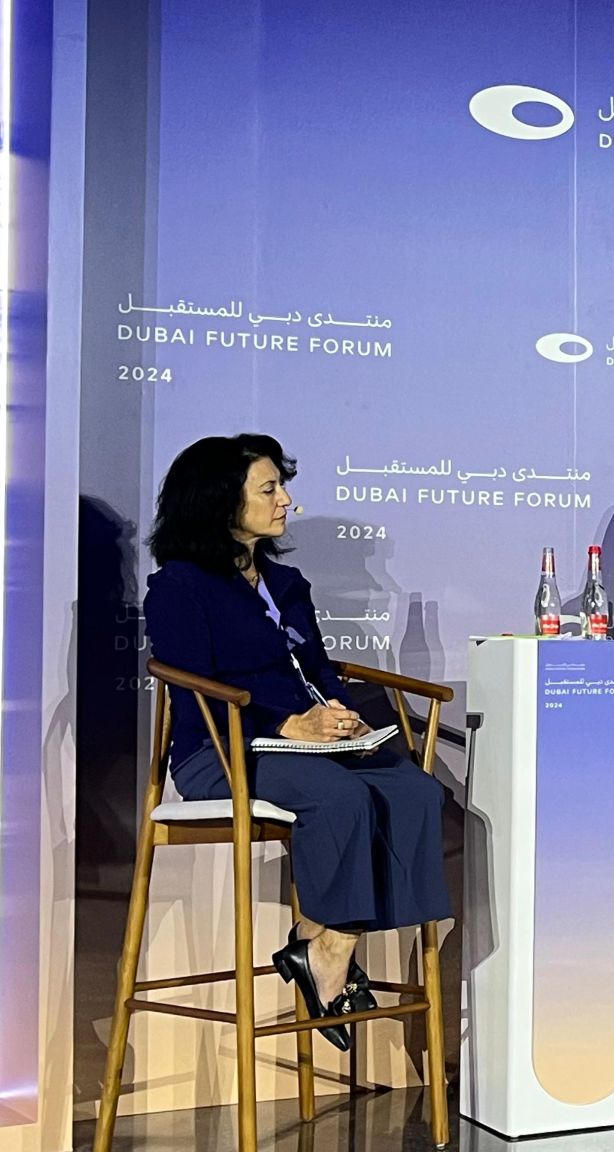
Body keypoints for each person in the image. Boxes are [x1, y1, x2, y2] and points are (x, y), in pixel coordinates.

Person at [142, 434, 449, 1050]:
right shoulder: (180, 585)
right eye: (269, 489)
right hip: (222, 753)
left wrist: (338, 714)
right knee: (338, 798)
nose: (286, 501)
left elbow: (317, 671)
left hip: (305, 747)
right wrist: (283, 727)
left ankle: (327, 944)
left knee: (414, 789)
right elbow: (192, 691)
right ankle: (326, 952)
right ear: (221, 502)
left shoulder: (285, 584)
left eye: (281, 487)